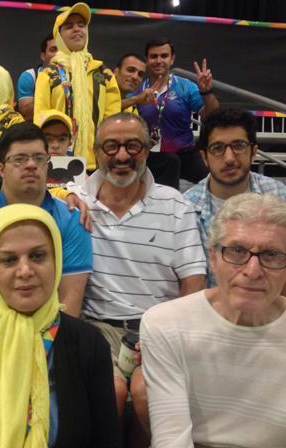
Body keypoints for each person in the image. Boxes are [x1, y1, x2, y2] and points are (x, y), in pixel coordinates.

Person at [0, 204, 122, 448]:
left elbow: (107, 440)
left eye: (38, 256)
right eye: (8, 260)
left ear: (57, 260)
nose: (25, 271)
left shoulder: (88, 343)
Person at [64, 112, 207, 434]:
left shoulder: (175, 205)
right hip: (97, 329)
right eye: (111, 146)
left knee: (147, 394)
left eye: (133, 145)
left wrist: (172, 335)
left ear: (147, 149)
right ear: (96, 151)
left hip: (158, 329)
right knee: (110, 393)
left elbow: (194, 282)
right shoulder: (75, 203)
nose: (122, 155)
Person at [141, 193, 286, 448]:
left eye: (272, 254)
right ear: (212, 258)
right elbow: (172, 439)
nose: (252, 271)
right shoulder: (166, 324)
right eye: (237, 251)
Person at [0, 122, 91, 318]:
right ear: (1, 169)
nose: (31, 165)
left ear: (48, 165)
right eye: (19, 159)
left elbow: (68, 308)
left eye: (39, 158)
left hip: (55, 333)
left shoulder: (72, 220)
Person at [185, 106, 286, 288]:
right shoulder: (186, 209)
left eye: (239, 146)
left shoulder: (279, 195)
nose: (229, 158)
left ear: (253, 152)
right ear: (204, 158)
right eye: (217, 148)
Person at [34, 2, 120, 170]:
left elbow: (112, 121)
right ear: (59, 36)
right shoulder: (48, 74)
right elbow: (40, 119)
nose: (76, 29)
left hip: (98, 161)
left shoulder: (104, 74)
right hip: (58, 161)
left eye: (81, 25)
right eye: (69, 26)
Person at [135, 37, 220, 183]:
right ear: (147, 60)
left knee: (214, 180)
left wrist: (206, 91)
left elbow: (213, 117)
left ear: (172, 59)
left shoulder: (186, 87)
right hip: (150, 155)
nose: (158, 60)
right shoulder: (137, 91)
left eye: (164, 56)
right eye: (154, 56)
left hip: (185, 153)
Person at [113, 53, 180, 189]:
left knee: (170, 161)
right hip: (107, 153)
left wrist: (145, 142)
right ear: (116, 72)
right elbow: (107, 109)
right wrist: (136, 99)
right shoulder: (101, 91)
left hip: (131, 153)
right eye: (130, 70)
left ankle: (166, 199)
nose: (135, 77)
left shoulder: (132, 105)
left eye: (140, 74)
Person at [17, 33, 57, 122]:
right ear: (43, 56)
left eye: (62, 50)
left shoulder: (75, 76)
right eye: (53, 50)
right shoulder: (29, 76)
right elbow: (27, 114)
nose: (58, 54)